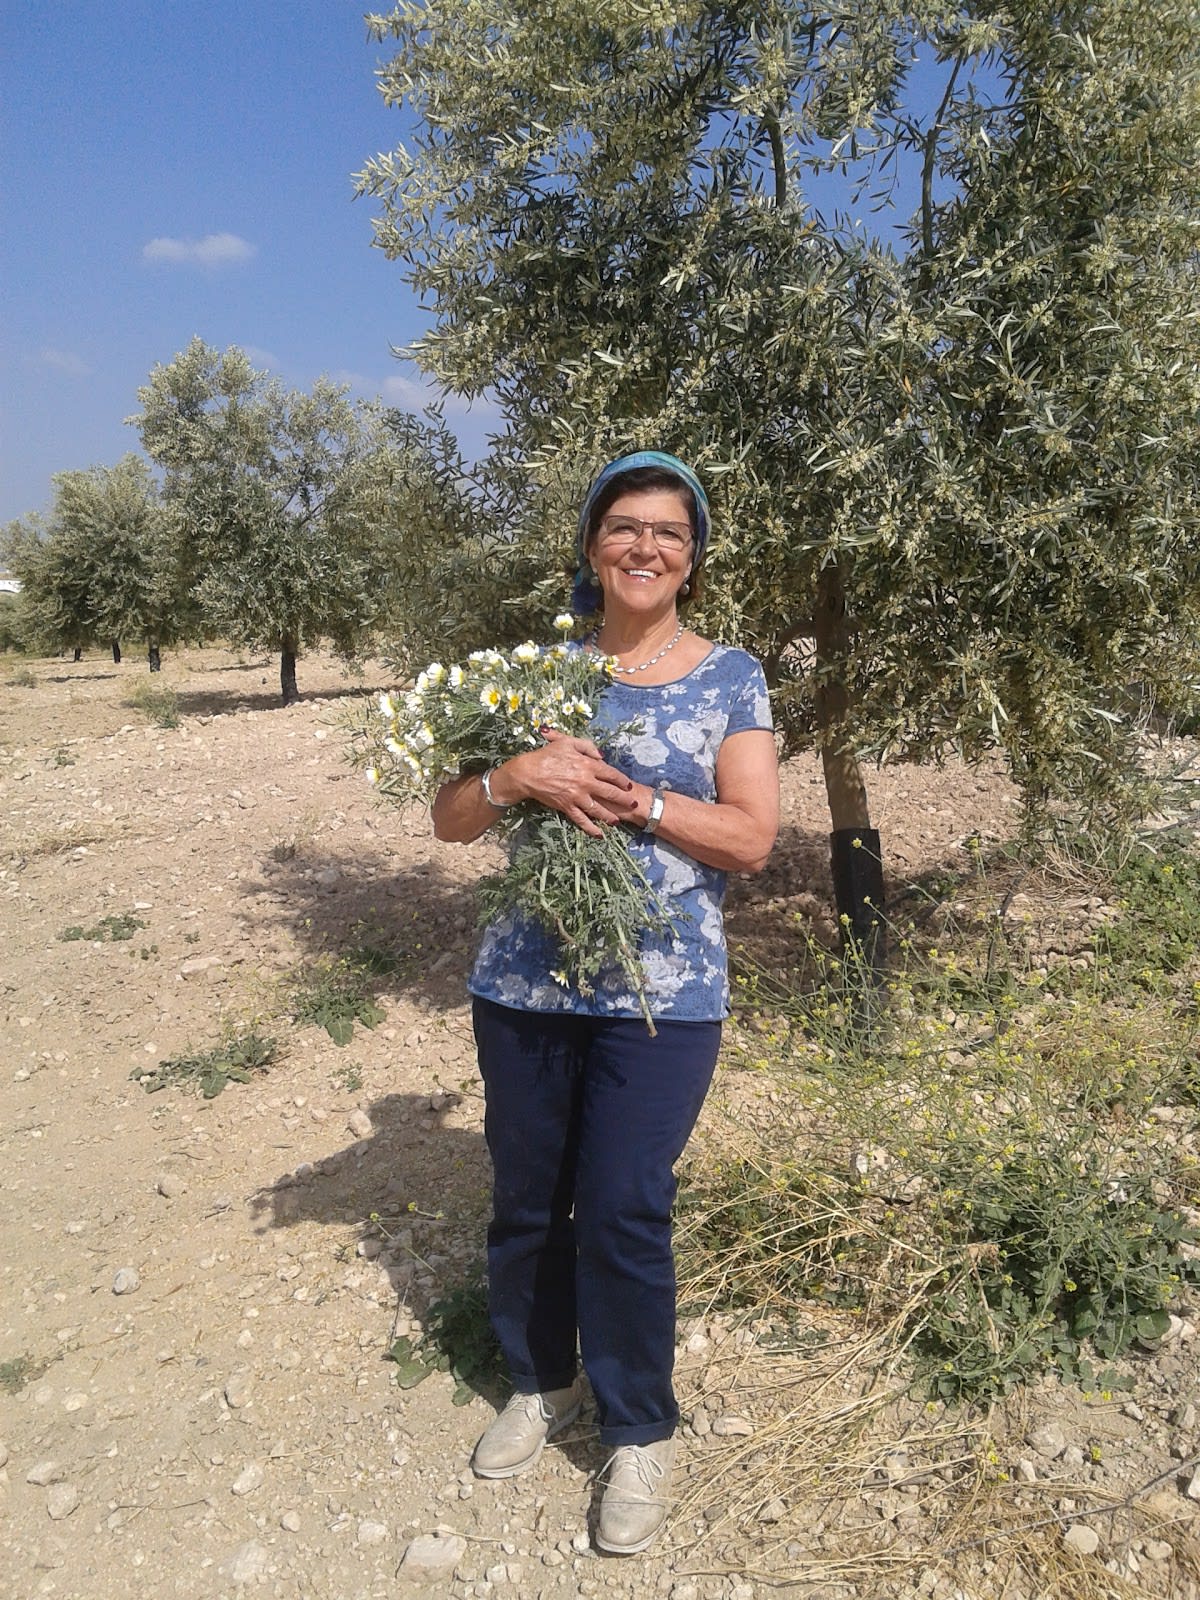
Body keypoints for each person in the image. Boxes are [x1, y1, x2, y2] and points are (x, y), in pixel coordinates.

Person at [431, 451, 779, 1554]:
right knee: (529, 1195)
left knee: (625, 1202)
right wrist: (512, 780)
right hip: (524, 984)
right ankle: (540, 1380)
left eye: (669, 532)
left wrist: (640, 801)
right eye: (625, 526)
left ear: (692, 557)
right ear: (591, 545)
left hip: (663, 996)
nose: (645, 547)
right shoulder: (533, 673)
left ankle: (636, 1423)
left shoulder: (731, 675)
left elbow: (753, 835)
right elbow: (448, 818)